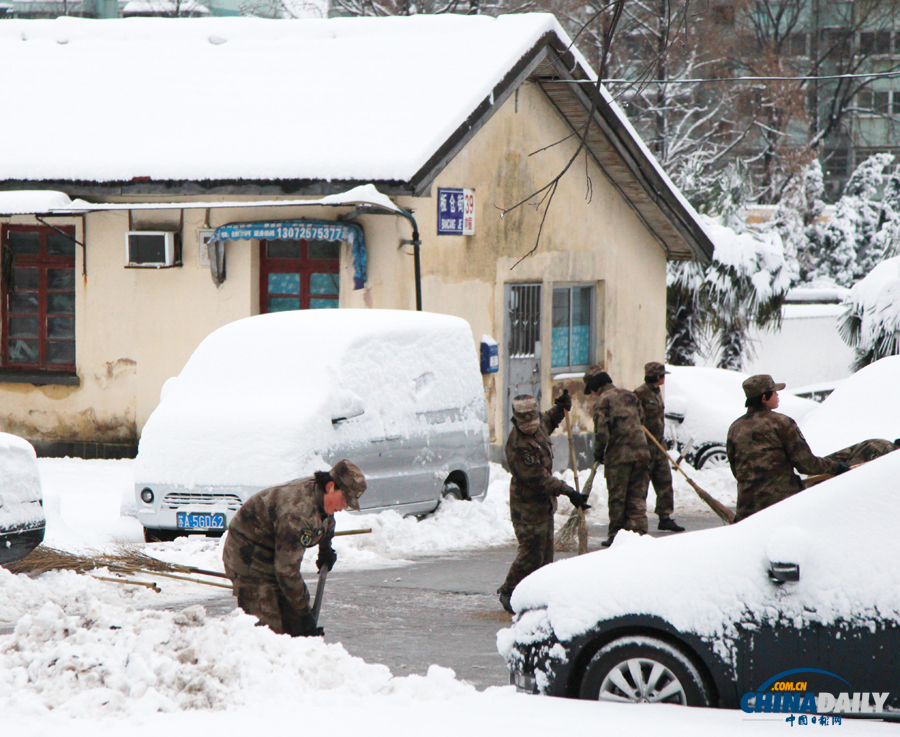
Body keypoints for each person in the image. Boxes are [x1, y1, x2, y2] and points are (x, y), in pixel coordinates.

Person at [222, 459, 367, 637]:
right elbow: (286, 571)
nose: (345, 507)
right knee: (268, 631)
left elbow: (327, 520)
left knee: (291, 616)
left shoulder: (320, 497)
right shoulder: (299, 513)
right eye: (345, 499)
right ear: (330, 487)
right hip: (248, 555)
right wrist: (305, 615)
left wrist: (325, 549)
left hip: (272, 547)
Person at [498, 392, 589, 614]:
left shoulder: (538, 425)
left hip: (544, 504)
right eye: (524, 421)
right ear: (517, 419)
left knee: (546, 554)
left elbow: (548, 419)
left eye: (532, 419)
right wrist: (569, 491)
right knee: (531, 552)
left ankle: (537, 593)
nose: (529, 425)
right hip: (527, 506)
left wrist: (560, 408)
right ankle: (509, 592)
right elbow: (540, 479)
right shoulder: (519, 446)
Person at [726, 375, 849, 522]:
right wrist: (836, 468)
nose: (778, 395)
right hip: (782, 507)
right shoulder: (782, 423)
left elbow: (736, 469)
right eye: (775, 392)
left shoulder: (735, 428)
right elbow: (806, 464)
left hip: (747, 511)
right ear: (764, 398)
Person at [585, 366, 651, 547]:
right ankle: (638, 530)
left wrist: (599, 453)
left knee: (618, 496)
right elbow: (642, 419)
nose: (592, 394)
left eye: (591, 390)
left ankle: (616, 534)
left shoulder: (603, 401)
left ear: (596, 386)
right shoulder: (631, 395)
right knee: (637, 494)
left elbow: (601, 433)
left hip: (619, 456)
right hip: (642, 453)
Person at [634, 361, 685, 533]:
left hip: (659, 446)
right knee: (641, 485)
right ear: (657, 376)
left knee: (664, 482)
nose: (664, 379)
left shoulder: (657, 392)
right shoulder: (640, 394)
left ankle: (665, 517)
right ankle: (637, 520)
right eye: (663, 375)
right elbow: (635, 419)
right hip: (645, 446)